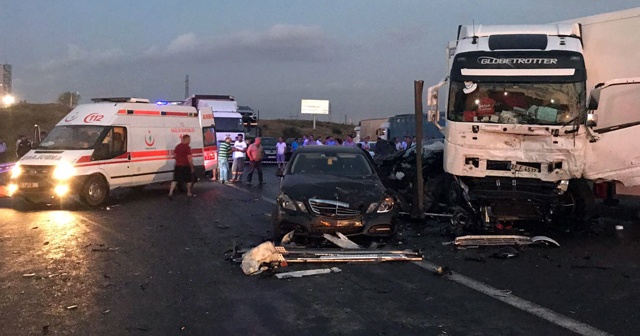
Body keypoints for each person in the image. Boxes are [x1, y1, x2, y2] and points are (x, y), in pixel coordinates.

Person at [168, 134, 195, 199]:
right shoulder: (187, 147)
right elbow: (189, 158)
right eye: (189, 139)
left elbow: (175, 156)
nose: (189, 141)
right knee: (188, 180)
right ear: (186, 139)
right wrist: (192, 167)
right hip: (186, 165)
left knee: (175, 180)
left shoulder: (177, 146)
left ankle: (170, 192)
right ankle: (189, 192)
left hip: (178, 165)